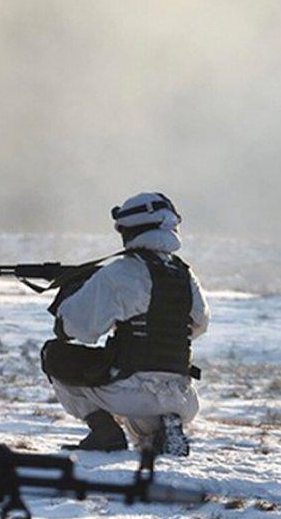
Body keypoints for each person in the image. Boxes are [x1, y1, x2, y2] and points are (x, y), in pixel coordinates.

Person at [41, 192, 209, 455]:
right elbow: (199, 325)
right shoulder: (185, 275)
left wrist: (75, 293)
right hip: (182, 395)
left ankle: (104, 432)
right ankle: (163, 428)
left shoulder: (121, 272)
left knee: (55, 356)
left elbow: (73, 328)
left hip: (128, 388)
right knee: (145, 410)